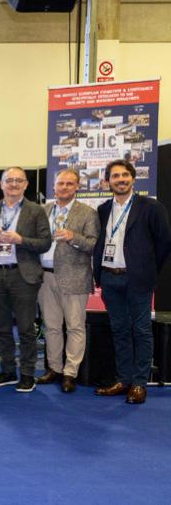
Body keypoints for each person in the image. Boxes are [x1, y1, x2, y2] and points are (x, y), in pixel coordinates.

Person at [93, 159, 171, 404]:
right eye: (115, 176)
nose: (121, 180)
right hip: (109, 278)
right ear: (108, 182)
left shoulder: (151, 207)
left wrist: (147, 269)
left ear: (133, 179)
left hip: (138, 279)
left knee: (141, 330)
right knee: (119, 330)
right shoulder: (103, 209)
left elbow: (164, 242)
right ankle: (123, 380)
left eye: (125, 175)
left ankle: (139, 384)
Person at [0, 167, 51, 393]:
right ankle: (8, 370)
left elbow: (45, 242)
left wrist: (20, 240)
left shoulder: (36, 210)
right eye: (9, 180)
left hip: (23, 275)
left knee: (26, 328)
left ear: (26, 184)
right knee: (2, 327)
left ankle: (27, 374)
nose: (14, 184)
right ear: (1, 184)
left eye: (19, 180)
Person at [36, 169, 100, 393]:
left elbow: (93, 245)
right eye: (60, 183)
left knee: (75, 327)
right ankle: (54, 368)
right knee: (51, 326)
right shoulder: (43, 210)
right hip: (45, 276)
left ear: (77, 187)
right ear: (54, 186)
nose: (64, 187)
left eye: (69, 184)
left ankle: (70, 372)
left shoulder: (88, 213)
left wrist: (74, 237)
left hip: (74, 277)